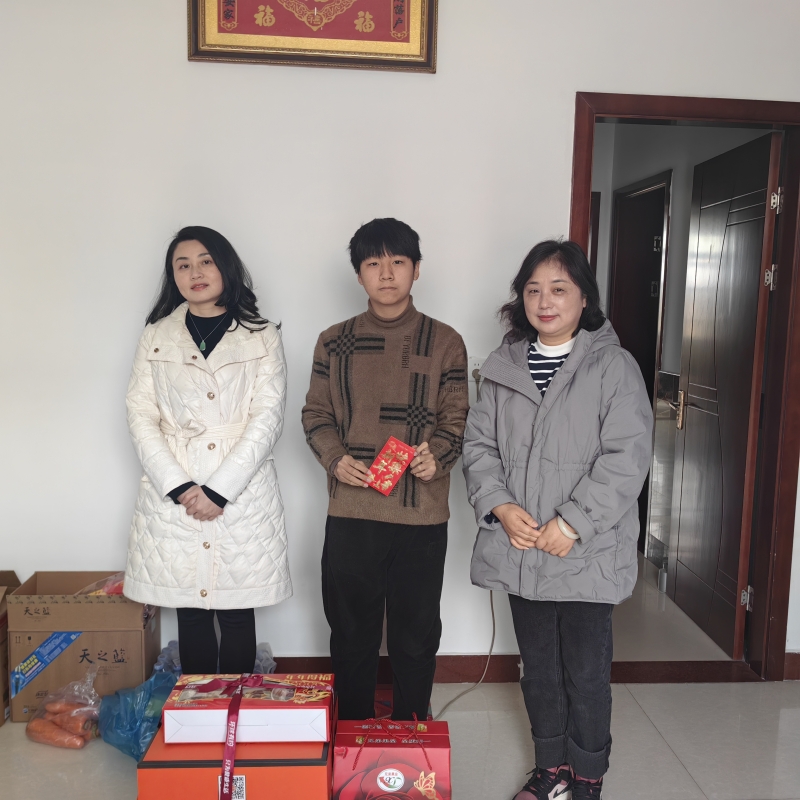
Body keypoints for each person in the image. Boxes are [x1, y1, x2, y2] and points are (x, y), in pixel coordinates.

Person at [462, 240, 652, 799]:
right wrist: (500, 506)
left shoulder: (613, 367)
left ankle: (587, 777)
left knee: (586, 675)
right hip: (522, 551)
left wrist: (571, 524)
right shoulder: (503, 366)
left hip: (586, 553)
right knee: (539, 671)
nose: (544, 302)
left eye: (559, 289)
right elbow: (479, 447)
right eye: (533, 290)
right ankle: (551, 770)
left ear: (584, 297)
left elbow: (626, 456)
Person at [302, 218, 469, 721]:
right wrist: (336, 459)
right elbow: (315, 415)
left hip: (421, 515)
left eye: (398, 261)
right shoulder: (334, 341)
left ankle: (411, 737)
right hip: (352, 512)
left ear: (417, 269)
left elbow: (457, 419)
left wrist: (437, 455)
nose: (387, 273)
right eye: (373, 263)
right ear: (359, 275)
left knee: (416, 638)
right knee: (351, 635)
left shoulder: (445, 341)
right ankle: (353, 739)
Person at [124, 226, 290, 675]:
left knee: (237, 609)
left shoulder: (262, 335)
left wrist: (219, 490)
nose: (195, 272)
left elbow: (268, 418)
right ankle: (197, 709)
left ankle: (234, 709)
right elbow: (140, 414)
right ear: (173, 276)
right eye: (183, 265)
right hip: (175, 485)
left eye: (205, 261)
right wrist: (178, 485)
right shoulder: (156, 335)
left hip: (242, 489)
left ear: (225, 267)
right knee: (190, 611)